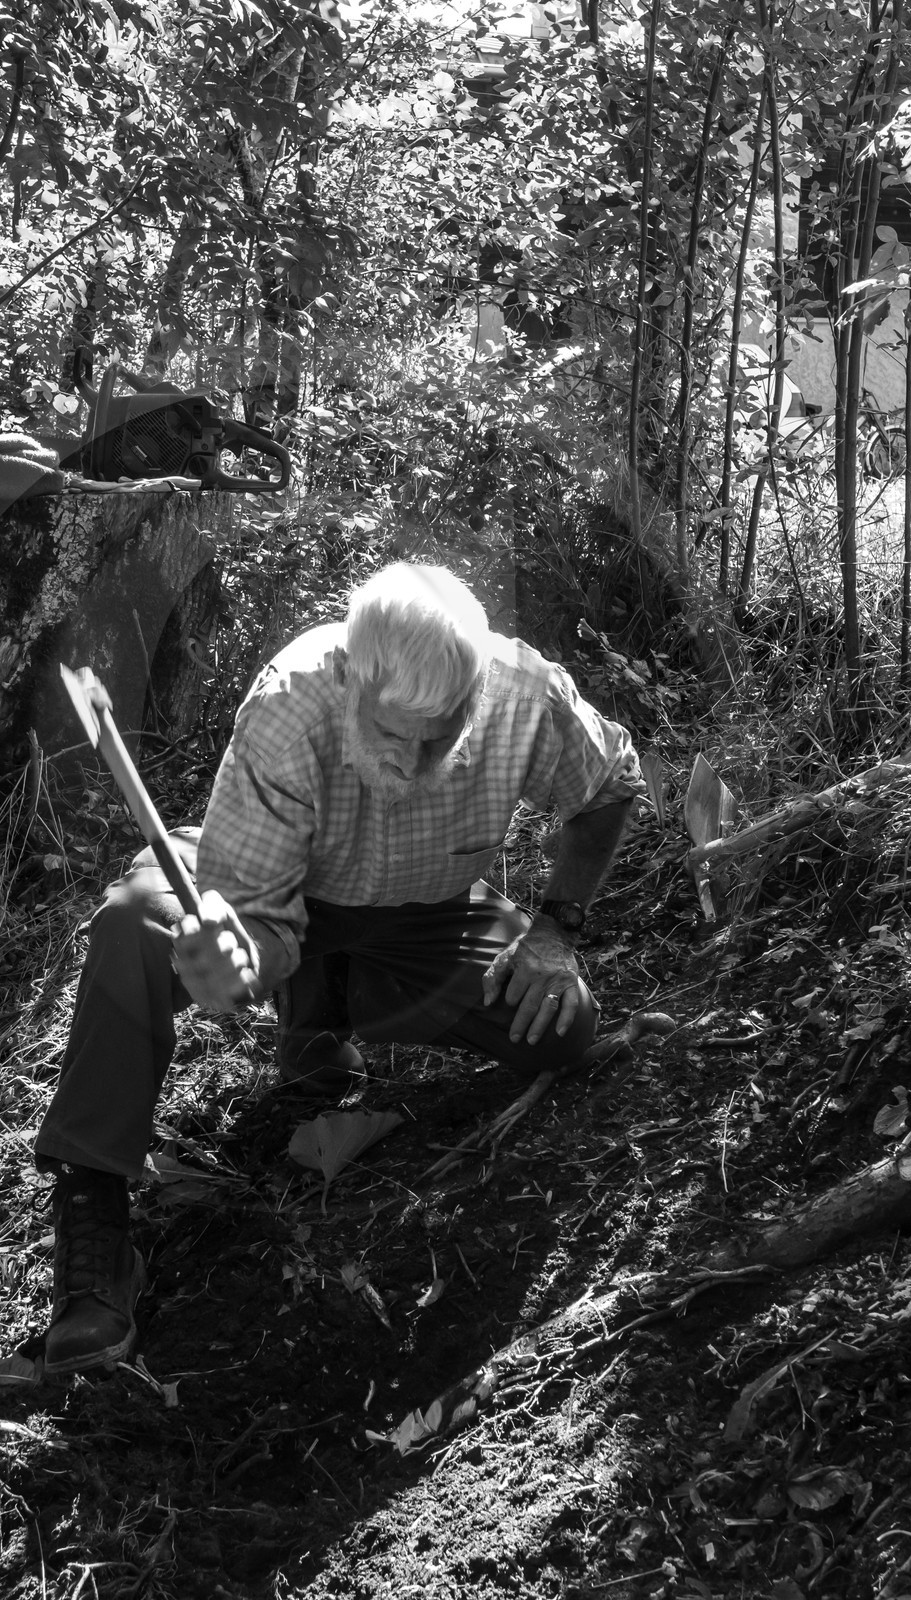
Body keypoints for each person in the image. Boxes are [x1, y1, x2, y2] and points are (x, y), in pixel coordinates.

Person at [31, 562, 644, 1374]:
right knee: (133, 924)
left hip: (422, 913)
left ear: (475, 690)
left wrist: (555, 930)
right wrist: (239, 961)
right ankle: (94, 1212)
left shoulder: (524, 696)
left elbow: (609, 786)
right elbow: (258, 915)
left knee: (563, 1027)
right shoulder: (290, 705)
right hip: (285, 892)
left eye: (443, 731)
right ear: (352, 680)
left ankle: (333, 1006)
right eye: (394, 733)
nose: (417, 759)